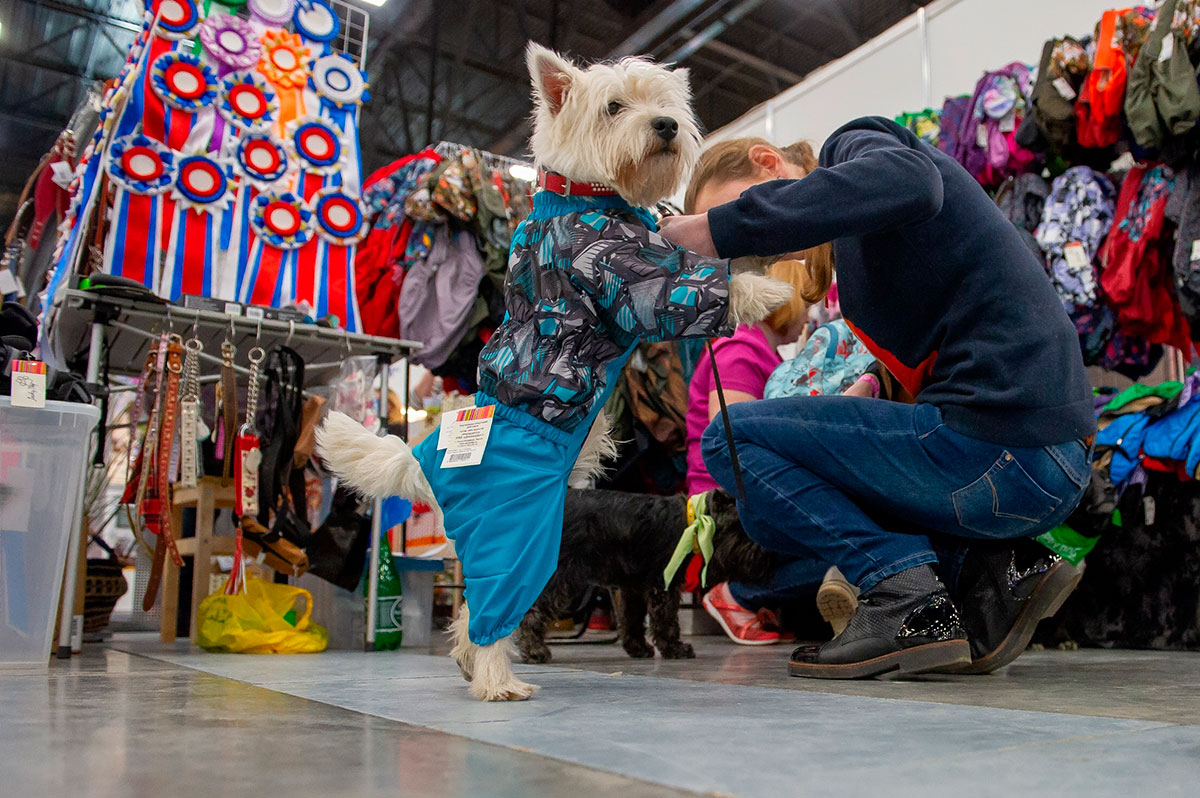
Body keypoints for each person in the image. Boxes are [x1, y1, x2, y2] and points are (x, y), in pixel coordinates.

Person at [659, 116, 1094, 679]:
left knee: (733, 440)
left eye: (739, 209)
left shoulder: (853, 145)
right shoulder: (862, 259)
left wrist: (710, 231)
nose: (754, 242)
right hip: (1039, 459)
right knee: (762, 513)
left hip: (1004, 446)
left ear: (770, 163)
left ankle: (904, 593)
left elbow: (914, 181)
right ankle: (996, 572)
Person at [682, 139, 860, 645]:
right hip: (722, 513)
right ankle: (737, 592)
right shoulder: (738, 349)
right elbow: (733, 450)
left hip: (732, 505)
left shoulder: (758, 353)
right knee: (847, 547)